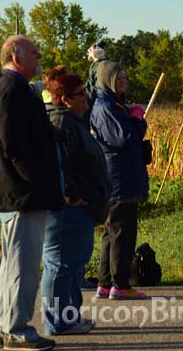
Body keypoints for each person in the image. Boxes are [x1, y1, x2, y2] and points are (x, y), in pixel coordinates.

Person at [0, 35, 64, 351]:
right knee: (23, 266)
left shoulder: (16, 90)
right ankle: (16, 330)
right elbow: (14, 144)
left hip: (18, 193)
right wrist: (35, 181)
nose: (39, 55)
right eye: (34, 51)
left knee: (13, 264)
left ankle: (4, 324)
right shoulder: (12, 91)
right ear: (17, 57)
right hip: (22, 194)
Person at [41, 74, 110, 335]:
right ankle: (57, 321)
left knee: (73, 265)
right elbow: (61, 164)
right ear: (63, 99)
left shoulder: (72, 121)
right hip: (69, 208)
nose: (86, 98)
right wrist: (72, 195)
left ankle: (70, 315)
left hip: (81, 207)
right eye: (80, 94)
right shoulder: (59, 122)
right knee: (60, 265)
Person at [90, 60, 149, 300]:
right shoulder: (106, 106)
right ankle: (120, 284)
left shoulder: (113, 104)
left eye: (124, 76)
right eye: (117, 77)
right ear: (106, 80)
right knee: (122, 233)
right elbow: (125, 139)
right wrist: (137, 120)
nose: (123, 80)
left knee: (111, 231)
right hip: (119, 177)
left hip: (120, 175)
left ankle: (105, 283)